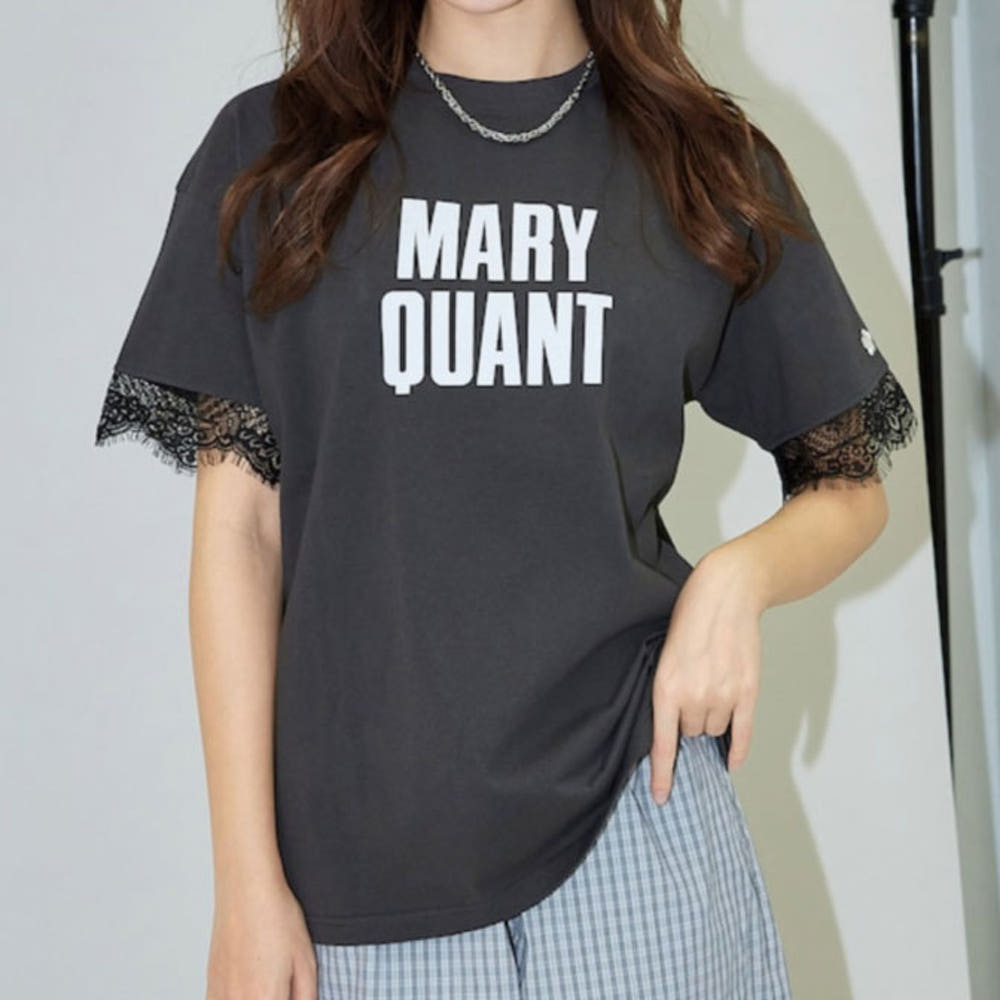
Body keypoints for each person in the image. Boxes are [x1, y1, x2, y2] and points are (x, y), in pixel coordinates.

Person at [93, 1, 919, 997]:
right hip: (363, 877)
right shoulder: (276, 151)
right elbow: (241, 532)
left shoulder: (698, 157)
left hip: (637, 826)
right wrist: (243, 882)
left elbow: (848, 485)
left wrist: (736, 580)